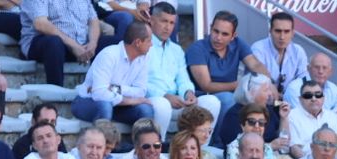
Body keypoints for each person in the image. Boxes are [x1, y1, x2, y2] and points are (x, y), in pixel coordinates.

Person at [146, 1, 220, 137]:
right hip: (153, 99)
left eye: (171, 23)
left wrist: (188, 93)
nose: (167, 27)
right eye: (164, 21)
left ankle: (200, 150)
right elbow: (138, 81)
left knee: (212, 102)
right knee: (162, 105)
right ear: (151, 20)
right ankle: (158, 148)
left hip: (177, 101)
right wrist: (165, 96)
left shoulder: (176, 50)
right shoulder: (143, 45)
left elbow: (182, 78)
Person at [184, 11, 264, 132]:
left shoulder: (238, 44)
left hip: (229, 93)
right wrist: (240, 84)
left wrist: (269, 84)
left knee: (259, 96)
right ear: (210, 28)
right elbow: (206, 85)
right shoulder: (197, 48)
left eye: (225, 34)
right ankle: (219, 143)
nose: (218, 38)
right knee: (228, 98)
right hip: (201, 96)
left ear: (233, 36)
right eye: (216, 31)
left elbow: (255, 64)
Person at [72, 20, 153, 126]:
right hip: (87, 101)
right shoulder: (109, 55)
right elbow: (99, 94)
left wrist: (116, 88)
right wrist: (129, 101)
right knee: (105, 107)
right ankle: (102, 142)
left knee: (146, 110)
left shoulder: (144, 58)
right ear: (138, 42)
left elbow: (141, 91)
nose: (151, 45)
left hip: (117, 106)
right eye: (149, 41)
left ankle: (138, 143)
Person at [250, 8, 306, 103]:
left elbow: (303, 80)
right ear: (270, 31)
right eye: (278, 31)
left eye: (286, 31)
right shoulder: (258, 48)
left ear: (293, 33)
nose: (282, 37)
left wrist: (288, 95)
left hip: (289, 101)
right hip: (263, 102)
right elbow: (258, 81)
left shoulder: (298, 51)